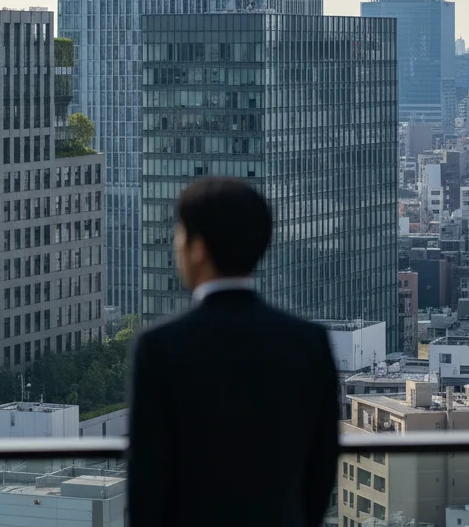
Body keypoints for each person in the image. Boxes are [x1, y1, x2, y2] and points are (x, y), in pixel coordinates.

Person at [127, 176, 339, 527]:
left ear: (198, 249)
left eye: (179, 236)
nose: (175, 248)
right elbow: (322, 466)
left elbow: (147, 479)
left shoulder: (160, 347)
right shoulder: (308, 342)